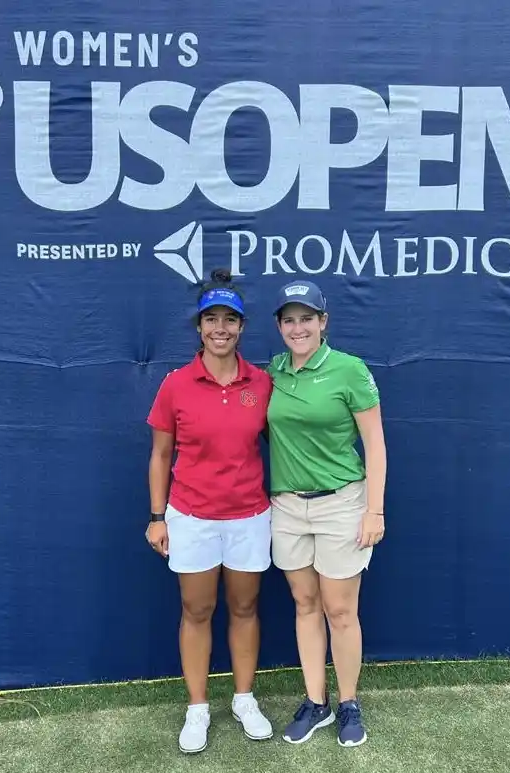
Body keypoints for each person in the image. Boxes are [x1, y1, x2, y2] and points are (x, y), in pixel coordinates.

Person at [145, 268, 274, 754]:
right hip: (191, 516)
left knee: (244, 607)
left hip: (248, 516)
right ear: (198, 327)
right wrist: (158, 517)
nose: (220, 328)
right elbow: (160, 454)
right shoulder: (177, 384)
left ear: (242, 327)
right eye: (211, 319)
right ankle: (197, 707)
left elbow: (281, 441)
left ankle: (244, 699)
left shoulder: (261, 383)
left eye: (230, 320)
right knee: (197, 610)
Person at [266, 279, 387, 749]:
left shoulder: (349, 370)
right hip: (288, 507)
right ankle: (315, 701)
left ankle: (348, 702)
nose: (298, 328)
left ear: (323, 322)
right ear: (279, 326)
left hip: (341, 503)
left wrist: (373, 509)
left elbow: (375, 444)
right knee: (305, 604)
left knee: (339, 609)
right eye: (289, 319)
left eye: (307, 318)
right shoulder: (273, 372)